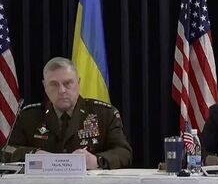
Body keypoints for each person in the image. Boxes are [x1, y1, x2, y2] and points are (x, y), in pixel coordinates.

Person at [3, 57, 133, 169]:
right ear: (45, 86)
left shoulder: (104, 114)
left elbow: (124, 152)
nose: (61, 90)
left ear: (78, 83)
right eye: (54, 84)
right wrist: (33, 154)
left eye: (67, 83)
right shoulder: (29, 116)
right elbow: (7, 151)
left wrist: (96, 160)